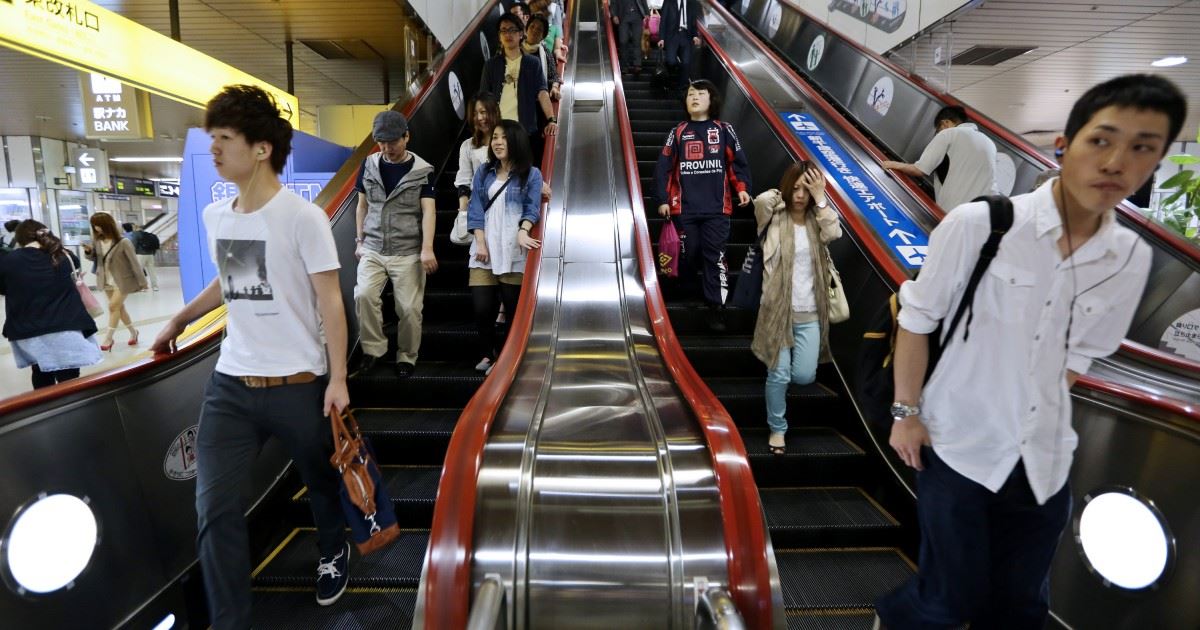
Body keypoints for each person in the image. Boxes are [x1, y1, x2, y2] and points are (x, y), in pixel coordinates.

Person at [875, 74, 1186, 629]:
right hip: (956, 449)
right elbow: (917, 321)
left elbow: (1076, 361)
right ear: (1066, 145)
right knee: (946, 603)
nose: (1117, 162)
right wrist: (906, 413)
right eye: (1102, 140)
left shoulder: (1130, 260)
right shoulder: (980, 226)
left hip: (1044, 466)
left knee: (1020, 611)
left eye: (1143, 148)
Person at [150, 85, 352, 628]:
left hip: (298, 382)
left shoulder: (301, 218)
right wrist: (180, 318)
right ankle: (230, 621)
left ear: (261, 148)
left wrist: (338, 379)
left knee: (321, 479)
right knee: (213, 510)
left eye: (224, 138)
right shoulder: (221, 216)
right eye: (211, 137)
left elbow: (330, 301)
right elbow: (233, 281)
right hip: (232, 386)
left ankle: (334, 549)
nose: (213, 148)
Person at [751, 162, 842, 454]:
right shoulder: (774, 215)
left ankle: (781, 388)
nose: (801, 195)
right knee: (778, 375)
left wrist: (821, 197)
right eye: (797, 187)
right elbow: (761, 201)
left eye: (807, 189)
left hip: (810, 311)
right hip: (777, 310)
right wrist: (786, 189)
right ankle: (778, 429)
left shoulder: (818, 219)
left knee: (804, 375)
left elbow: (835, 233)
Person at [654, 80, 752, 331]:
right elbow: (664, 167)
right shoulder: (678, 131)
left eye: (700, 93)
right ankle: (685, 290)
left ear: (712, 100)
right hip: (683, 209)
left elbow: (736, 164)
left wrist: (741, 189)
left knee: (715, 256)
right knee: (688, 253)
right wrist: (663, 200)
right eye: (690, 94)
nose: (694, 98)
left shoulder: (724, 130)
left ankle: (716, 307)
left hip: (717, 209)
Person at [352, 110, 438, 378]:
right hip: (374, 248)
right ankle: (373, 350)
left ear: (406, 137)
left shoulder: (423, 171)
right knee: (363, 295)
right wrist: (359, 240)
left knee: (410, 309)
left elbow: (429, 211)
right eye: (381, 142)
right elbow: (361, 206)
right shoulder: (368, 166)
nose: (387, 148)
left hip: (408, 251)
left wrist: (427, 248)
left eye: (392, 141)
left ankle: (407, 356)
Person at [466, 119, 543, 373]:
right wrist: (480, 241)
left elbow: (532, 207)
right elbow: (475, 206)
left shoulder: (531, 174)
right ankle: (487, 354)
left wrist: (524, 230)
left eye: (504, 138)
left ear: (516, 141)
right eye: (495, 137)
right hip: (483, 247)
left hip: (512, 248)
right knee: (482, 308)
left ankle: (508, 357)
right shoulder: (484, 172)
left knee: (512, 310)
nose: (497, 142)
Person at [0, 220, 102, 389]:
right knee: (69, 379)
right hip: (67, 326)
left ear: (20, 239)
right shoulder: (66, 255)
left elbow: (4, 289)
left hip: (30, 328)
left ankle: (47, 411)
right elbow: (72, 273)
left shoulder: (8, 260)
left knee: (40, 373)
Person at [881, 105, 997, 212]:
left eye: (938, 130)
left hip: (953, 212)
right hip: (984, 213)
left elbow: (920, 170)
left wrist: (893, 164)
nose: (937, 134)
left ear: (945, 123)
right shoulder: (989, 143)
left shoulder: (949, 134)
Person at [483, 13, 559, 164]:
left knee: (524, 173)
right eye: (503, 30)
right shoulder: (491, 65)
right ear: (499, 36)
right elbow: (485, 100)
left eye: (512, 30)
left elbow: (543, 92)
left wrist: (552, 119)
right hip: (499, 132)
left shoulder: (533, 63)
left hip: (525, 131)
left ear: (521, 33)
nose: (507, 34)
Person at [84, 212, 146, 351]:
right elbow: (95, 259)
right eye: (94, 226)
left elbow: (134, 263)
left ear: (107, 225)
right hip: (106, 279)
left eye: (98, 225)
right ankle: (133, 332)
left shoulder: (124, 242)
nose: (96, 228)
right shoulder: (97, 241)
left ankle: (109, 338)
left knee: (113, 306)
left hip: (122, 280)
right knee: (119, 308)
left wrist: (142, 282)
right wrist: (89, 251)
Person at [457, 92, 502, 216]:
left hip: (504, 206)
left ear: (495, 111)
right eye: (475, 114)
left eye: (483, 112)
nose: (479, 118)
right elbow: (463, 183)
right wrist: (463, 212)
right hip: (478, 209)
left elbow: (520, 168)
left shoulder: (508, 141)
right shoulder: (467, 145)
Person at [658, 0, 701, 92]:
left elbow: (693, 24)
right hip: (672, 36)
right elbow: (663, 21)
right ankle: (671, 80)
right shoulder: (669, 2)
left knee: (686, 63)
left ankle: (681, 88)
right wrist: (661, 38)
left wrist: (695, 36)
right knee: (671, 61)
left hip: (686, 36)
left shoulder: (692, 3)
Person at [523, 15, 562, 102]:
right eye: (532, 26)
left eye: (539, 29)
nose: (534, 31)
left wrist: (554, 88)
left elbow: (554, 76)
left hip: (539, 102)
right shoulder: (516, 49)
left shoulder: (545, 52)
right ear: (526, 29)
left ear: (543, 36)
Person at [612, 0, 648, 76]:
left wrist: (647, 13)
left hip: (637, 16)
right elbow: (614, 2)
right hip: (623, 16)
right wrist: (614, 15)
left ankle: (637, 65)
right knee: (623, 41)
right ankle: (624, 66)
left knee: (637, 41)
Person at [130, 223, 162, 291]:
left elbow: (133, 245)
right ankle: (155, 286)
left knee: (140, 271)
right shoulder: (148, 235)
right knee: (152, 271)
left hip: (140, 255)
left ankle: (143, 287)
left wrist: (133, 254)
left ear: (135, 228)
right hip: (150, 255)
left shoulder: (136, 234)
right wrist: (152, 254)